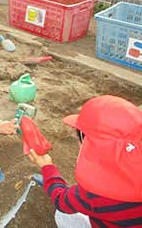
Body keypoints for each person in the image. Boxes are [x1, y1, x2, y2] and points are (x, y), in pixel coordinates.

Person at [28, 95, 142, 227]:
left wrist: (47, 167)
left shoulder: (92, 194)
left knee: (64, 216)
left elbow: (61, 201)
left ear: (86, 140)